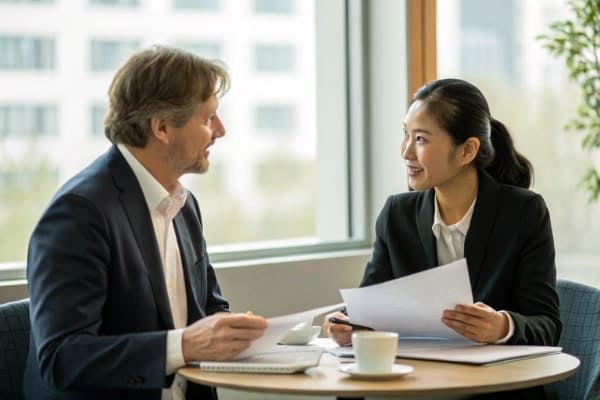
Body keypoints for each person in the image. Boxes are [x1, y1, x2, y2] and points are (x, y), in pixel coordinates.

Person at [24, 46, 268, 400]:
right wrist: (183, 345)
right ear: (162, 127)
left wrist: (246, 333)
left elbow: (209, 310)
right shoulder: (80, 212)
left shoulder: (184, 205)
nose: (220, 130)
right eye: (207, 118)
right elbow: (62, 358)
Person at [323, 78, 561, 399]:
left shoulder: (523, 211)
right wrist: (348, 326)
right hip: (419, 386)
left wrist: (502, 327)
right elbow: (369, 311)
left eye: (420, 139)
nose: (406, 151)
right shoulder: (397, 214)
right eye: (405, 134)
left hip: (496, 389)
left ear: (466, 150)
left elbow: (547, 324)